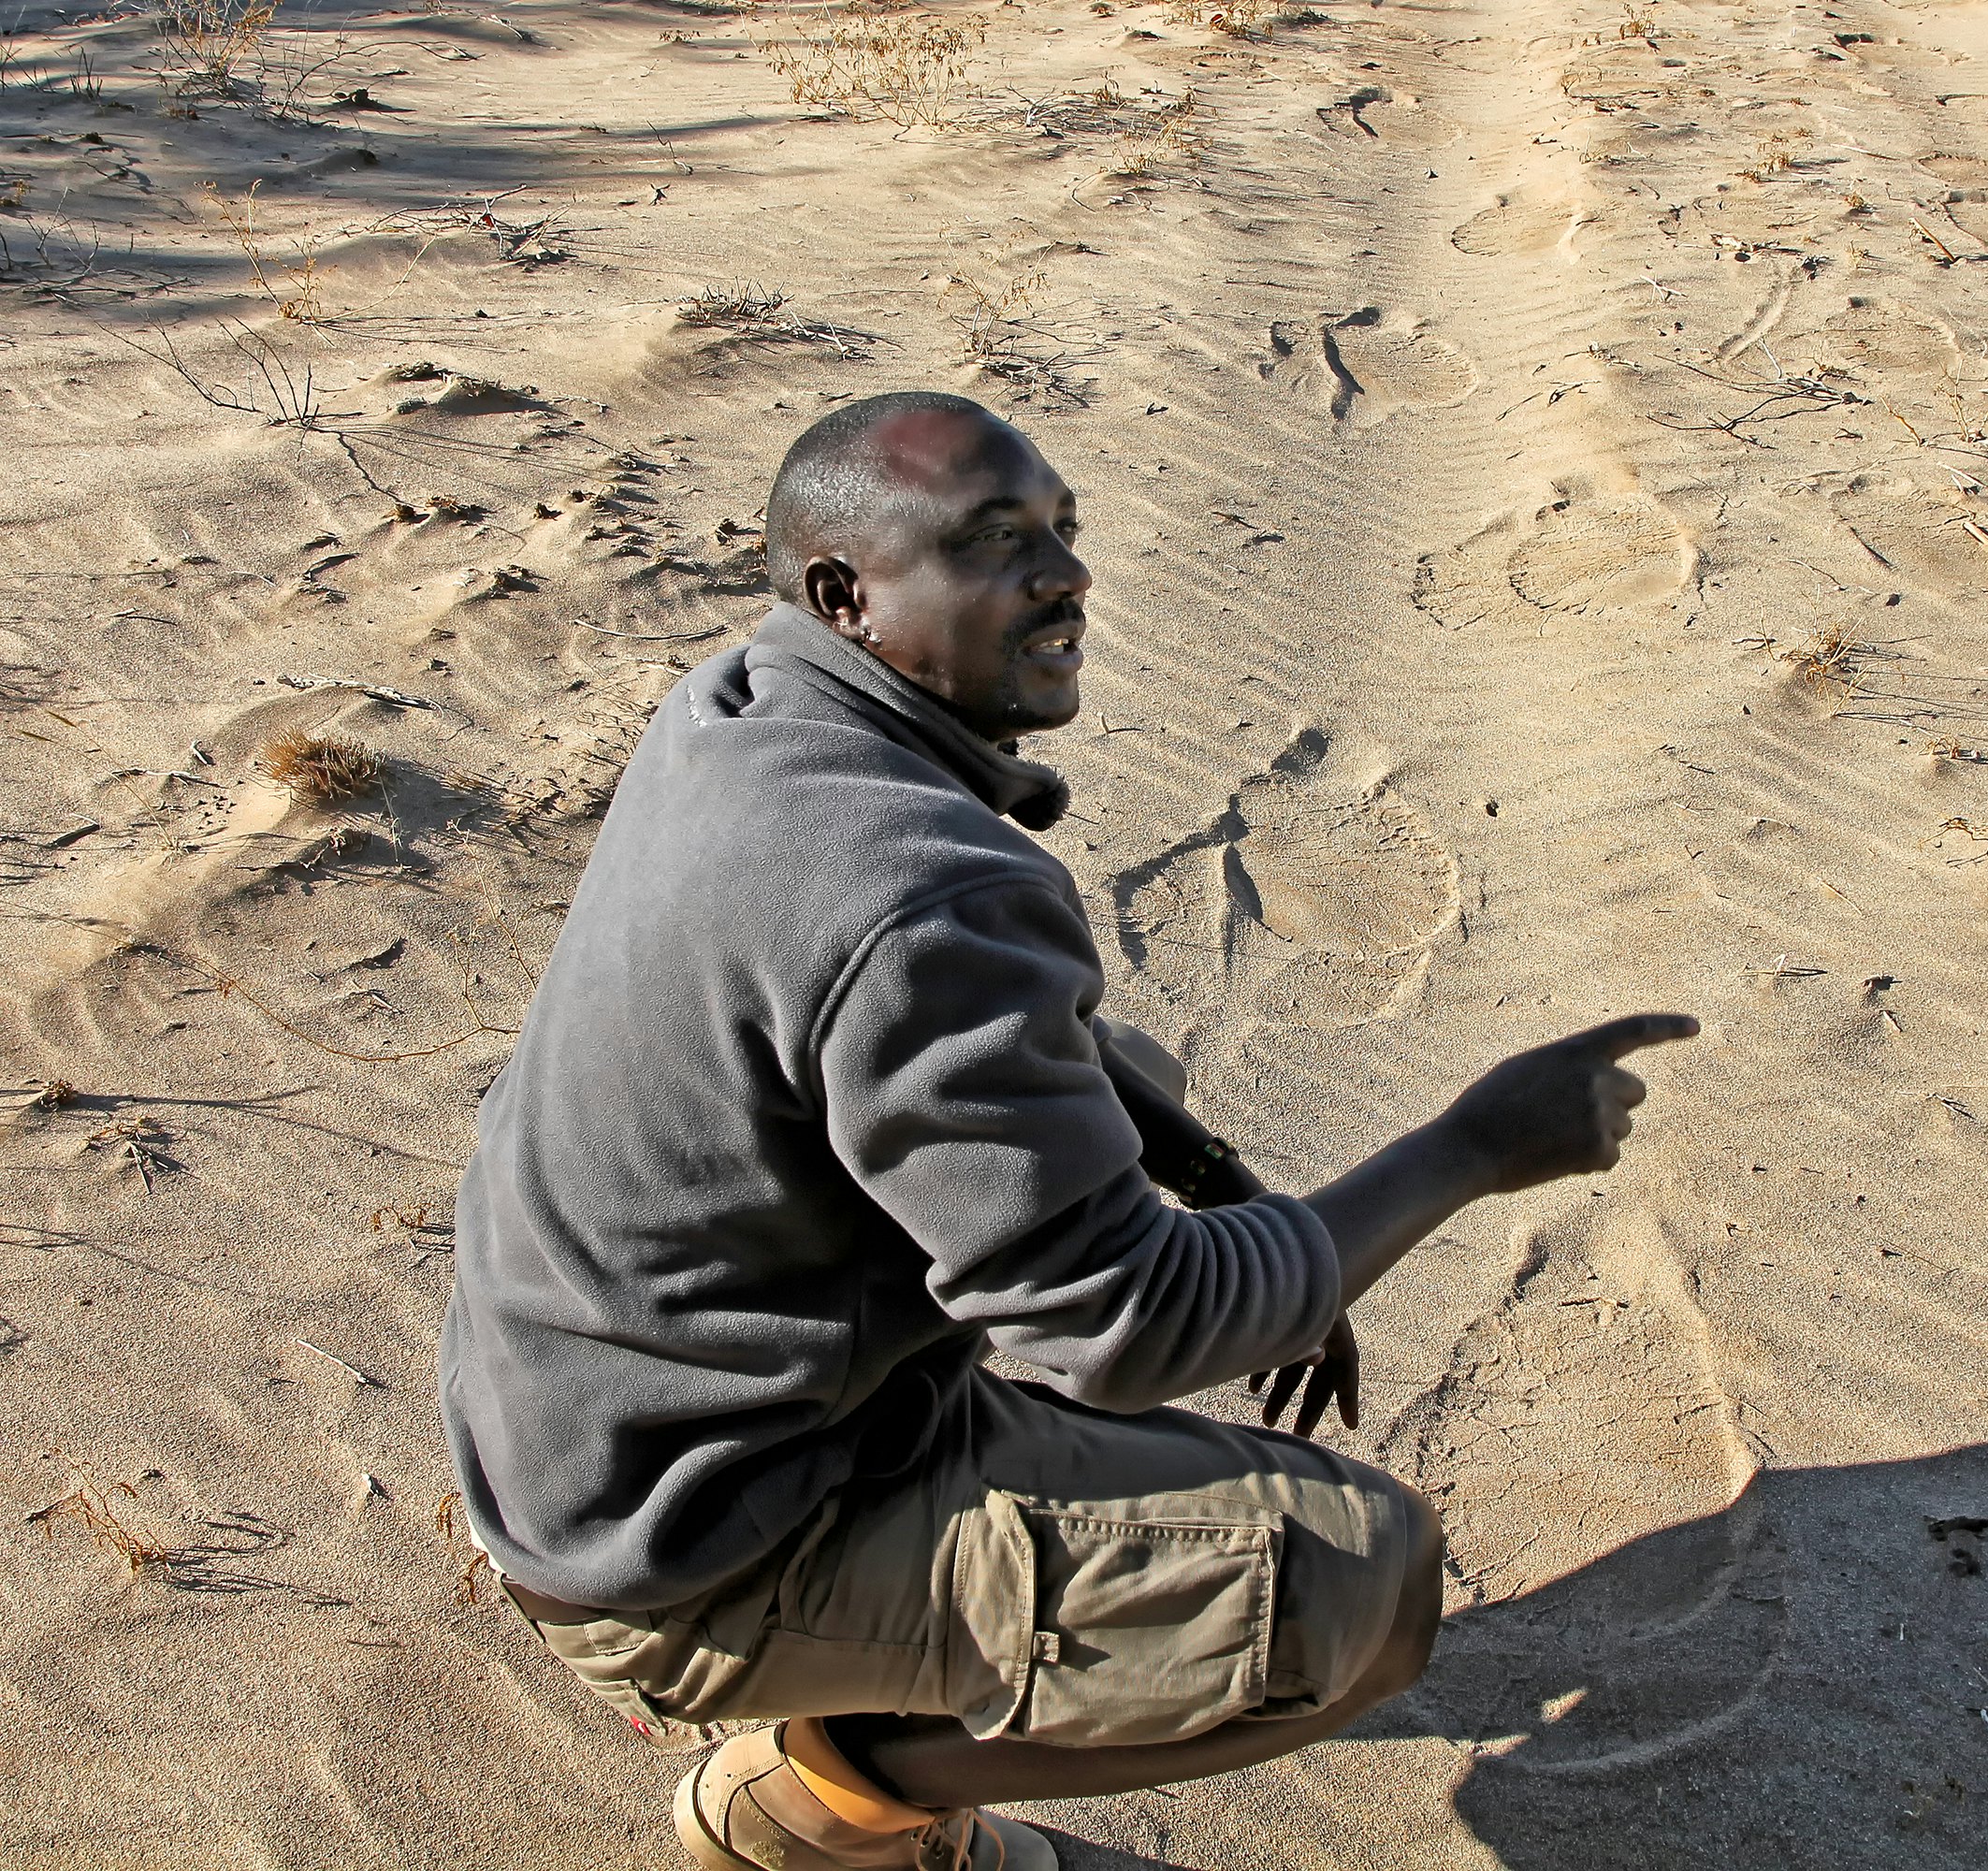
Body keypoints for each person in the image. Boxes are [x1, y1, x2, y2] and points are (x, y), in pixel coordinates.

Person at [437, 390, 1696, 1871]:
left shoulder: (744, 714)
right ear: (847, 597)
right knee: (1371, 1589)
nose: (1065, 576)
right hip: (685, 1540)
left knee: (1122, 1074)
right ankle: (828, 1805)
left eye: (1059, 532)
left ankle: (932, 1611)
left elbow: (984, 1038)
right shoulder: (923, 892)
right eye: (991, 544)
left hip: (581, 1416)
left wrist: (1226, 1186)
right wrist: (1475, 1147)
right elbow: (1135, 1327)